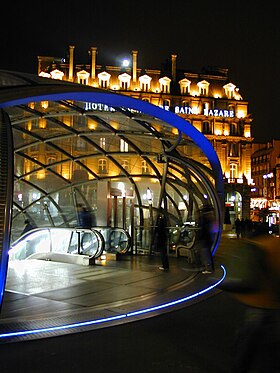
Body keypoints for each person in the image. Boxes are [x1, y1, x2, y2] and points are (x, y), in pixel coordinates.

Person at [219, 234, 280, 372]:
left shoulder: (257, 247)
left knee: (246, 346)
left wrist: (221, 284)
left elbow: (250, 282)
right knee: (270, 348)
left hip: (257, 305)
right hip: (272, 304)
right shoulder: (275, 244)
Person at [196, 205, 215, 274]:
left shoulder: (205, 218)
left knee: (205, 253)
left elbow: (203, 229)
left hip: (204, 239)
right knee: (207, 253)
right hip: (208, 238)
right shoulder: (211, 217)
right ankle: (209, 267)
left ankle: (208, 268)